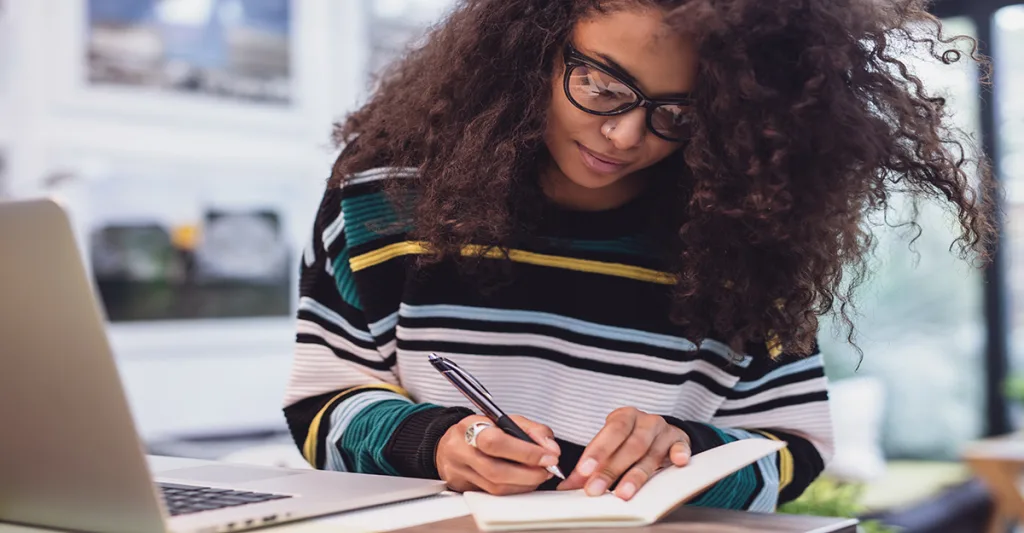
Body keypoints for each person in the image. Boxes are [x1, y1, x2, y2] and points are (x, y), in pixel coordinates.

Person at [282, 0, 994, 510]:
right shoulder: (383, 195)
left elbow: (793, 450)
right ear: (534, 44)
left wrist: (681, 451)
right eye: (601, 87)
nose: (624, 136)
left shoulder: (746, 235)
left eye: (675, 114)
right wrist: (434, 441)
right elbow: (322, 405)